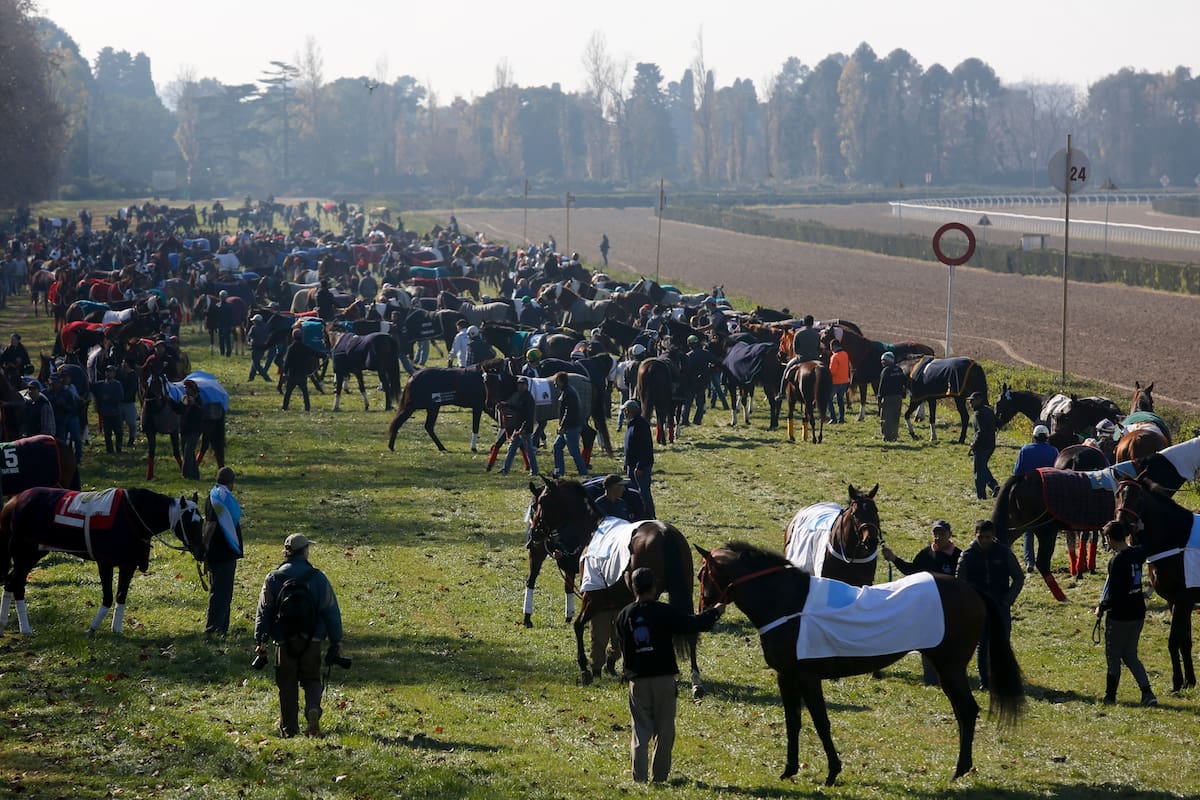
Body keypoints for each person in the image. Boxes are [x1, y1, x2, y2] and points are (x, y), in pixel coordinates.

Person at [616, 567, 724, 783]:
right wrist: (715, 612)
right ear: (654, 587)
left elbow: (624, 648)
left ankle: (639, 778)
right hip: (664, 678)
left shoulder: (623, 615)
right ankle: (659, 777)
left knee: (640, 731)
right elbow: (693, 624)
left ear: (633, 587)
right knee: (665, 731)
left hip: (637, 680)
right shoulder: (664, 611)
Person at [254, 534, 345, 738]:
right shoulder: (317, 578)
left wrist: (261, 640)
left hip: (284, 641)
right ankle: (312, 708)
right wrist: (336, 640)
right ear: (305, 551)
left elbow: (264, 611)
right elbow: (331, 611)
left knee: (287, 684)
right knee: (312, 679)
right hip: (312, 640)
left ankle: (289, 729)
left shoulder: (273, 578)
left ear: (286, 552)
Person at [882, 520, 962, 685]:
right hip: (929, 608)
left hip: (951, 608)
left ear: (950, 535)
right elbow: (911, 571)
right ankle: (931, 679)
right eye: (935, 533)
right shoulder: (926, 554)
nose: (938, 537)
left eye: (942, 534)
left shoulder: (958, 556)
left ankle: (949, 675)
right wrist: (894, 559)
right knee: (929, 641)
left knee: (949, 643)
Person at [956, 519, 1024, 690]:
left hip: (1000, 605)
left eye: (987, 537)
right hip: (979, 608)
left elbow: (1018, 577)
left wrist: (1008, 599)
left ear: (993, 535)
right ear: (975, 534)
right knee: (982, 644)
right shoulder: (967, 555)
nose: (984, 540)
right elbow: (960, 584)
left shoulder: (1004, 552)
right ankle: (985, 681)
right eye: (981, 537)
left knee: (1002, 643)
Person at [1095, 519, 1156, 706]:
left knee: (1113, 655)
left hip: (1120, 615)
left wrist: (1101, 607)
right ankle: (1147, 693)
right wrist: (1141, 530)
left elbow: (1115, 592)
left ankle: (1110, 695)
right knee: (1130, 654)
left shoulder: (1116, 561)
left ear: (1109, 538)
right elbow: (1146, 546)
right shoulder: (1137, 553)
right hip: (1138, 612)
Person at [1012, 424, 1059, 572]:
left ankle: (1029, 561)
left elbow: (1017, 472)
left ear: (1034, 436)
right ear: (1047, 437)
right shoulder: (1054, 451)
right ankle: (1044, 560)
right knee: (1047, 529)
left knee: (1028, 528)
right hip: (1047, 493)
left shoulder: (1025, 449)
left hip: (1027, 492)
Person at [203, 467, 244, 637]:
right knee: (222, 592)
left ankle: (222, 627)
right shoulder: (224, 498)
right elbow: (220, 523)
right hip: (224, 552)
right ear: (231, 482)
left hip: (213, 551)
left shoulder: (211, 496)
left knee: (220, 591)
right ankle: (213, 629)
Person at [489, 376, 538, 476]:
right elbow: (517, 408)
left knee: (529, 451)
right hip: (518, 429)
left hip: (525, 430)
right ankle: (505, 469)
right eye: (519, 385)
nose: (520, 387)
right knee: (511, 449)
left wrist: (523, 428)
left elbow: (529, 416)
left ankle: (535, 470)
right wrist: (505, 405)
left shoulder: (528, 399)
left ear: (526, 386)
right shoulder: (521, 397)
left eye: (522, 385)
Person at [622, 399, 655, 519]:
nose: (624, 414)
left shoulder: (641, 425)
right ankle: (639, 515)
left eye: (625, 411)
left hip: (640, 467)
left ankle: (651, 516)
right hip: (632, 466)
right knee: (634, 493)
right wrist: (626, 463)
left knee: (644, 493)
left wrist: (640, 466)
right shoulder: (632, 424)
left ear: (629, 411)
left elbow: (645, 448)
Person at [552, 372, 588, 477]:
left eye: (556, 381)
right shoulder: (568, 391)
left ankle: (583, 472)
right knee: (557, 447)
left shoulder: (568, 392)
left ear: (562, 381)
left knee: (574, 452)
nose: (555, 383)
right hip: (570, 426)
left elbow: (569, 411)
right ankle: (559, 471)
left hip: (571, 428)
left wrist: (562, 426)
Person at [967, 391, 1000, 500]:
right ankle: (994, 486)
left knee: (979, 472)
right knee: (983, 468)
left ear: (979, 400)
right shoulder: (989, 410)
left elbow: (980, 432)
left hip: (981, 446)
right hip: (991, 445)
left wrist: (973, 445)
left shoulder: (978, 414)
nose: (970, 403)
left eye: (972, 401)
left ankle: (981, 496)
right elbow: (997, 423)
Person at [93, 365, 125, 454]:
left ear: (114, 373)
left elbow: (121, 397)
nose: (108, 373)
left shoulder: (117, 384)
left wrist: (109, 398)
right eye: (107, 371)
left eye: (110, 371)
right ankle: (109, 450)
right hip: (105, 413)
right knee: (107, 433)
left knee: (119, 432)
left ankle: (119, 448)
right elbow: (92, 388)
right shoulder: (100, 384)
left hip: (116, 413)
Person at [877, 351, 907, 441]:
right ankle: (894, 436)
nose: (882, 363)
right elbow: (904, 383)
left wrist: (879, 398)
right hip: (898, 397)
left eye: (883, 361)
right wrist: (903, 394)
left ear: (887, 361)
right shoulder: (899, 369)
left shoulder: (886, 371)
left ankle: (887, 437)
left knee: (886, 417)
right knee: (895, 417)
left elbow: (882, 386)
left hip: (888, 398)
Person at [281, 331, 312, 412]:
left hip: (292, 374)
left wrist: (285, 372)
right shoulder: (305, 347)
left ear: (293, 337)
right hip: (302, 373)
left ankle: (285, 407)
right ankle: (307, 407)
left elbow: (287, 362)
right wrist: (324, 355)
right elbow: (315, 353)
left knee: (288, 392)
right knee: (305, 392)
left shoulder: (291, 348)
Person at [179, 379, 203, 480]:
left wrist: (194, 405)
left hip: (195, 430)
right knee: (188, 453)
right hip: (184, 430)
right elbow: (178, 409)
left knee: (188, 452)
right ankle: (195, 475)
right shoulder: (184, 399)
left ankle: (185, 475)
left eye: (187, 388)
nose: (186, 390)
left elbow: (201, 413)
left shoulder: (198, 400)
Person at [827, 339, 851, 424]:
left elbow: (832, 371)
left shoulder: (834, 357)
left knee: (828, 399)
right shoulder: (845, 354)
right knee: (840, 400)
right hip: (844, 381)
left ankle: (833, 417)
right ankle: (841, 418)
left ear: (833, 346)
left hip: (835, 382)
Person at [117, 360, 140, 447]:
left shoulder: (133, 375)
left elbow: (133, 388)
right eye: (123, 364)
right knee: (118, 424)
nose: (123, 365)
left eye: (125, 364)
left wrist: (125, 397)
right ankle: (119, 441)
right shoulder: (119, 374)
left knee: (132, 423)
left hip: (129, 402)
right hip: (119, 402)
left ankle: (131, 438)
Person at [247, 313, 273, 382]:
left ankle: (266, 377)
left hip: (255, 347)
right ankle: (251, 377)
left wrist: (249, 342)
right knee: (255, 362)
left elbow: (250, 335)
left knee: (256, 364)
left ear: (256, 321)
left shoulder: (254, 328)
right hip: (263, 347)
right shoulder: (266, 327)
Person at [216, 290, 235, 357]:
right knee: (221, 340)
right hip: (220, 325)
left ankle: (228, 353)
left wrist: (232, 325)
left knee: (227, 340)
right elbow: (216, 317)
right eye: (222, 296)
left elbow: (232, 316)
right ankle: (222, 353)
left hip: (227, 325)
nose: (222, 298)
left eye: (223, 296)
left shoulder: (229, 306)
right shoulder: (217, 306)